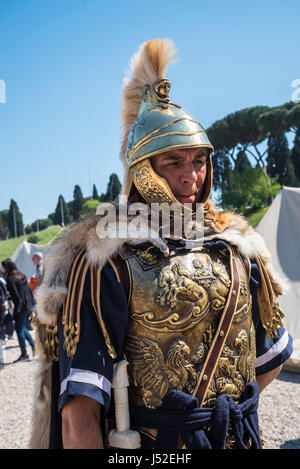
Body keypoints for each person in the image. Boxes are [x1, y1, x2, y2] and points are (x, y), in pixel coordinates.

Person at [30, 39, 293, 450]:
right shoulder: (107, 265)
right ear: (143, 171)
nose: (191, 176)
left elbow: (270, 358)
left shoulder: (238, 250)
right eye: (174, 162)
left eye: (199, 161)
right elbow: (78, 414)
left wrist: (221, 415)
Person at [1, 259, 35, 361]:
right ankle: (34, 345)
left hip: (22, 306)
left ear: (6, 268)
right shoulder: (21, 275)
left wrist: (16, 311)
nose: (2, 269)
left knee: (19, 329)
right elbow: (28, 291)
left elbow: (15, 296)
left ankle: (24, 355)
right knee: (22, 327)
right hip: (29, 305)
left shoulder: (10, 279)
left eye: (3, 267)